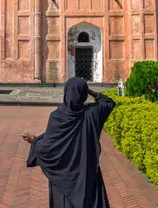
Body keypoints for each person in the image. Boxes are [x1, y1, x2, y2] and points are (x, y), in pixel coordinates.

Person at [23, 77, 116, 208]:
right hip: (86, 173)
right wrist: (90, 91)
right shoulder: (92, 113)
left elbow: (48, 147)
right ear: (84, 94)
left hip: (63, 177)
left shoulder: (57, 116)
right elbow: (109, 102)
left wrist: (34, 140)